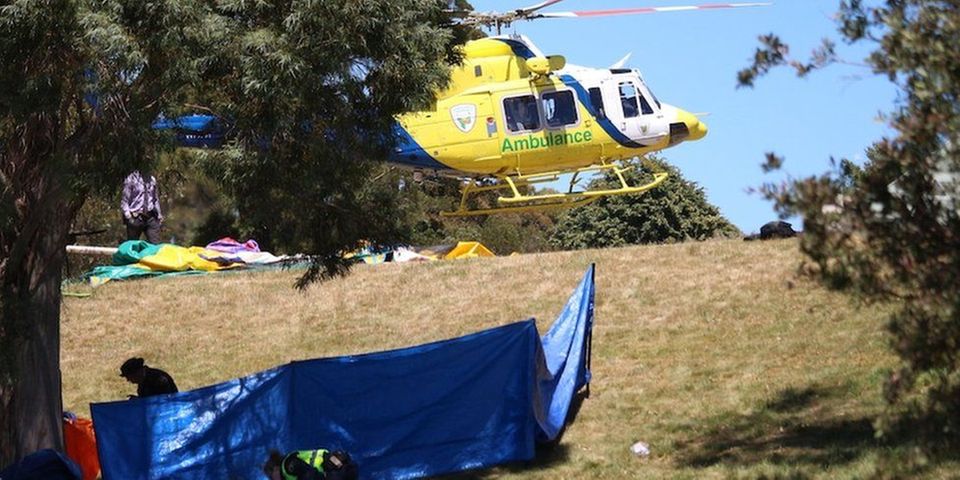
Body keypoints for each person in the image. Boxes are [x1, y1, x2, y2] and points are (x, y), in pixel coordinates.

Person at [121, 169, 163, 244]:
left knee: (155, 245)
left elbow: (155, 199)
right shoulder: (131, 179)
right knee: (132, 245)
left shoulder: (152, 179)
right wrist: (129, 217)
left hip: (150, 216)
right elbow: (124, 201)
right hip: (135, 217)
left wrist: (159, 215)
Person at [262, 449, 358, 480]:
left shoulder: (288, 465)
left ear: (275, 468)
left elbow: (308, 474)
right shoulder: (291, 458)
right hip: (338, 466)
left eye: (271, 476)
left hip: (334, 472)